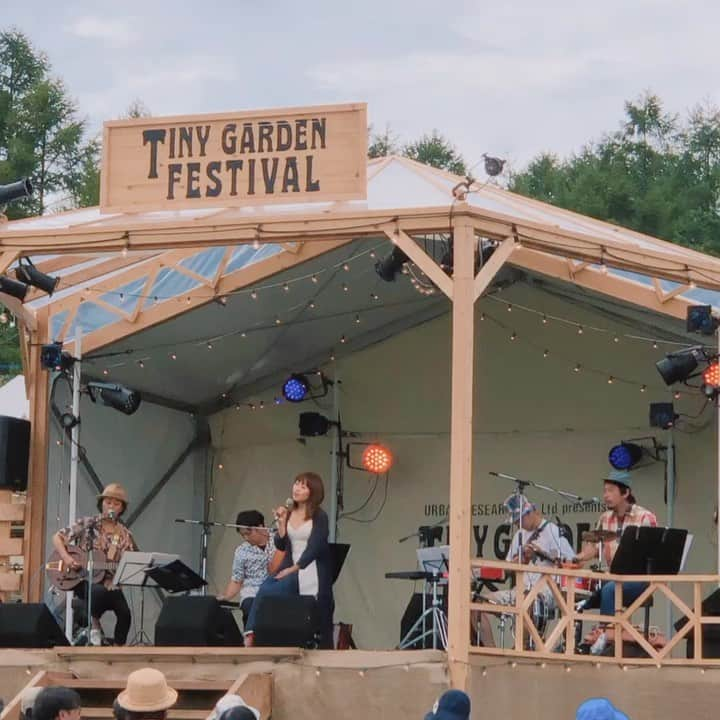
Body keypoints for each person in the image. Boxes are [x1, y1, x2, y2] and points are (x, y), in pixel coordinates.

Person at [244, 471, 333, 648]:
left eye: (303, 485)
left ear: (312, 491)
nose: (297, 488)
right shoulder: (289, 513)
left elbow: (316, 545)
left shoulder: (319, 516)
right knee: (266, 588)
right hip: (290, 568)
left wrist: (294, 568)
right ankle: (251, 632)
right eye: (296, 483)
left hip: (310, 569)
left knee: (317, 613)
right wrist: (281, 524)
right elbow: (281, 544)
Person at [573, 470, 657, 653]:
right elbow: (594, 548)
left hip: (639, 581)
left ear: (625, 493)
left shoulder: (645, 517)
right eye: (604, 491)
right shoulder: (604, 518)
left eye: (610, 491)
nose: (605, 496)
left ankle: (607, 642)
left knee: (610, 589)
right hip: (613, 578)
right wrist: (576, 559)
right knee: (578, 597)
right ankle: (575, 646)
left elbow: (653, 553)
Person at [474, 494, 574, 647]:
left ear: (530, 512)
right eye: (515, 521)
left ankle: (523, 648)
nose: (518, 524)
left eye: (519, 520)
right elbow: (507, 569)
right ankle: (491, 651)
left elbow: (571, 563)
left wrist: (542, 554)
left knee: (529, 601)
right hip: (520, 589)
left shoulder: (553, 531)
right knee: (477, 604)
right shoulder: (519, 536)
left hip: (547, 592)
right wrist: (519, 560)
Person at [51, 483, 137, 646]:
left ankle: (118, 649)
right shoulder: (87, 523)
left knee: (125, 614)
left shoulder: (125, 534)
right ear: (102, 504)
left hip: (110, 583)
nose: (111, 506)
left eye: (116, 503)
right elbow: (57, 537)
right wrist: (67, 558)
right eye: (108, 502)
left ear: (122, 509)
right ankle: (94, 626)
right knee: (97, 592)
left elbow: (129, 563)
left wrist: (118, 580)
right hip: (82, 578)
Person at [217, 510, 277, 627]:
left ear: (260, 527)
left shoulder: (279, 540)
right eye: (242, 535)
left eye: (248, 534)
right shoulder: (241, 551)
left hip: (276, 590)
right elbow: (237, 580)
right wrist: (225, 596)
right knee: (249, 608)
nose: (245, 538)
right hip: (252, 593)